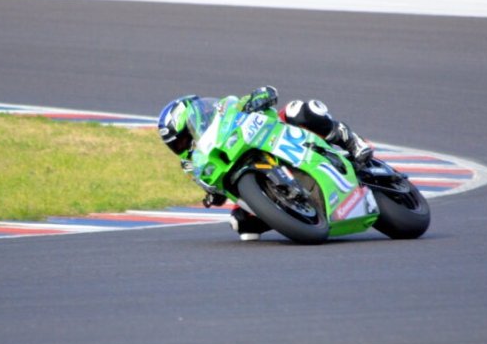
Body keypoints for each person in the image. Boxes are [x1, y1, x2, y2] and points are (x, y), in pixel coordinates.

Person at [157, 86, 373, 241]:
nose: (184, 145)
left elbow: (266, 92)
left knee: (298, 110)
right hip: (245, 172)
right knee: (241, 224)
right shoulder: (194, 163)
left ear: (194, 117)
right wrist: (213, 194)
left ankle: (350, 140)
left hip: (278, 137)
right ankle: (294, 215)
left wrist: (261, 97)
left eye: (185, 137)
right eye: (178, 144)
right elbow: (218, 193)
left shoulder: (225, 109)